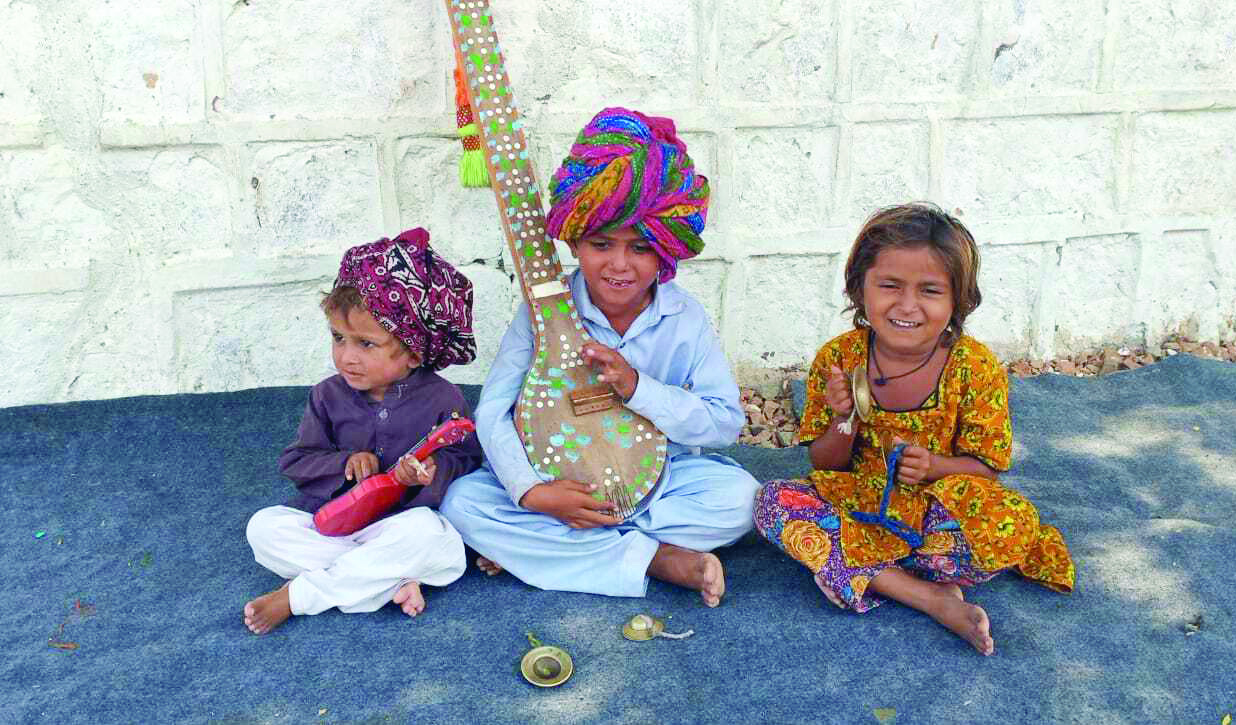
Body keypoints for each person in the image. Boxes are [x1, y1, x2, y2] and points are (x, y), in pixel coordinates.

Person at [441, 108, 759, 607]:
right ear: (573, 239)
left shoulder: (684, 319)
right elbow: (493, 411)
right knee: (463, 504)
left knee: (742, 501)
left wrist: (638, 388)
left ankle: (562, 549)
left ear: (667, 251)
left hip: (662, 482)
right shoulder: (542, 311)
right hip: (557, 482)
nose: (618, 264)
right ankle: (658, 560)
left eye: (640, 247)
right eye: (601, 243)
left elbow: (723, 425)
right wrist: (532, 494)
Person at [753, 203, 1074, 655]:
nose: (907, 306)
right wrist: (845, 419)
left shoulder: (975, 367)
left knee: (1012, 523)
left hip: (937, 512)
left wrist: (935, 466)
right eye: (889, 286)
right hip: (864, 501)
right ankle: (930, 598)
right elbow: (825, 464)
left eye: (929, 290)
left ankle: (860, 568)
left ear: (957, 300)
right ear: (859, 287)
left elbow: (986, 469)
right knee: (772, 503)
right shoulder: (840, 358)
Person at [243, 229, 483, 635]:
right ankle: (389, 580)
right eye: (338, 338)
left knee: (434, 538)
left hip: (401, 523)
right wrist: (344, 463)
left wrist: (430, 471)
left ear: (413, 351)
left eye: (366, 344)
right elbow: (297, 461)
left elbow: (468, 458)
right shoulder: (326, 395)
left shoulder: (443, 398)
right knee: (263, 528)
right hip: (335, 524)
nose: (346, 357)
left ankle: (299, 596)